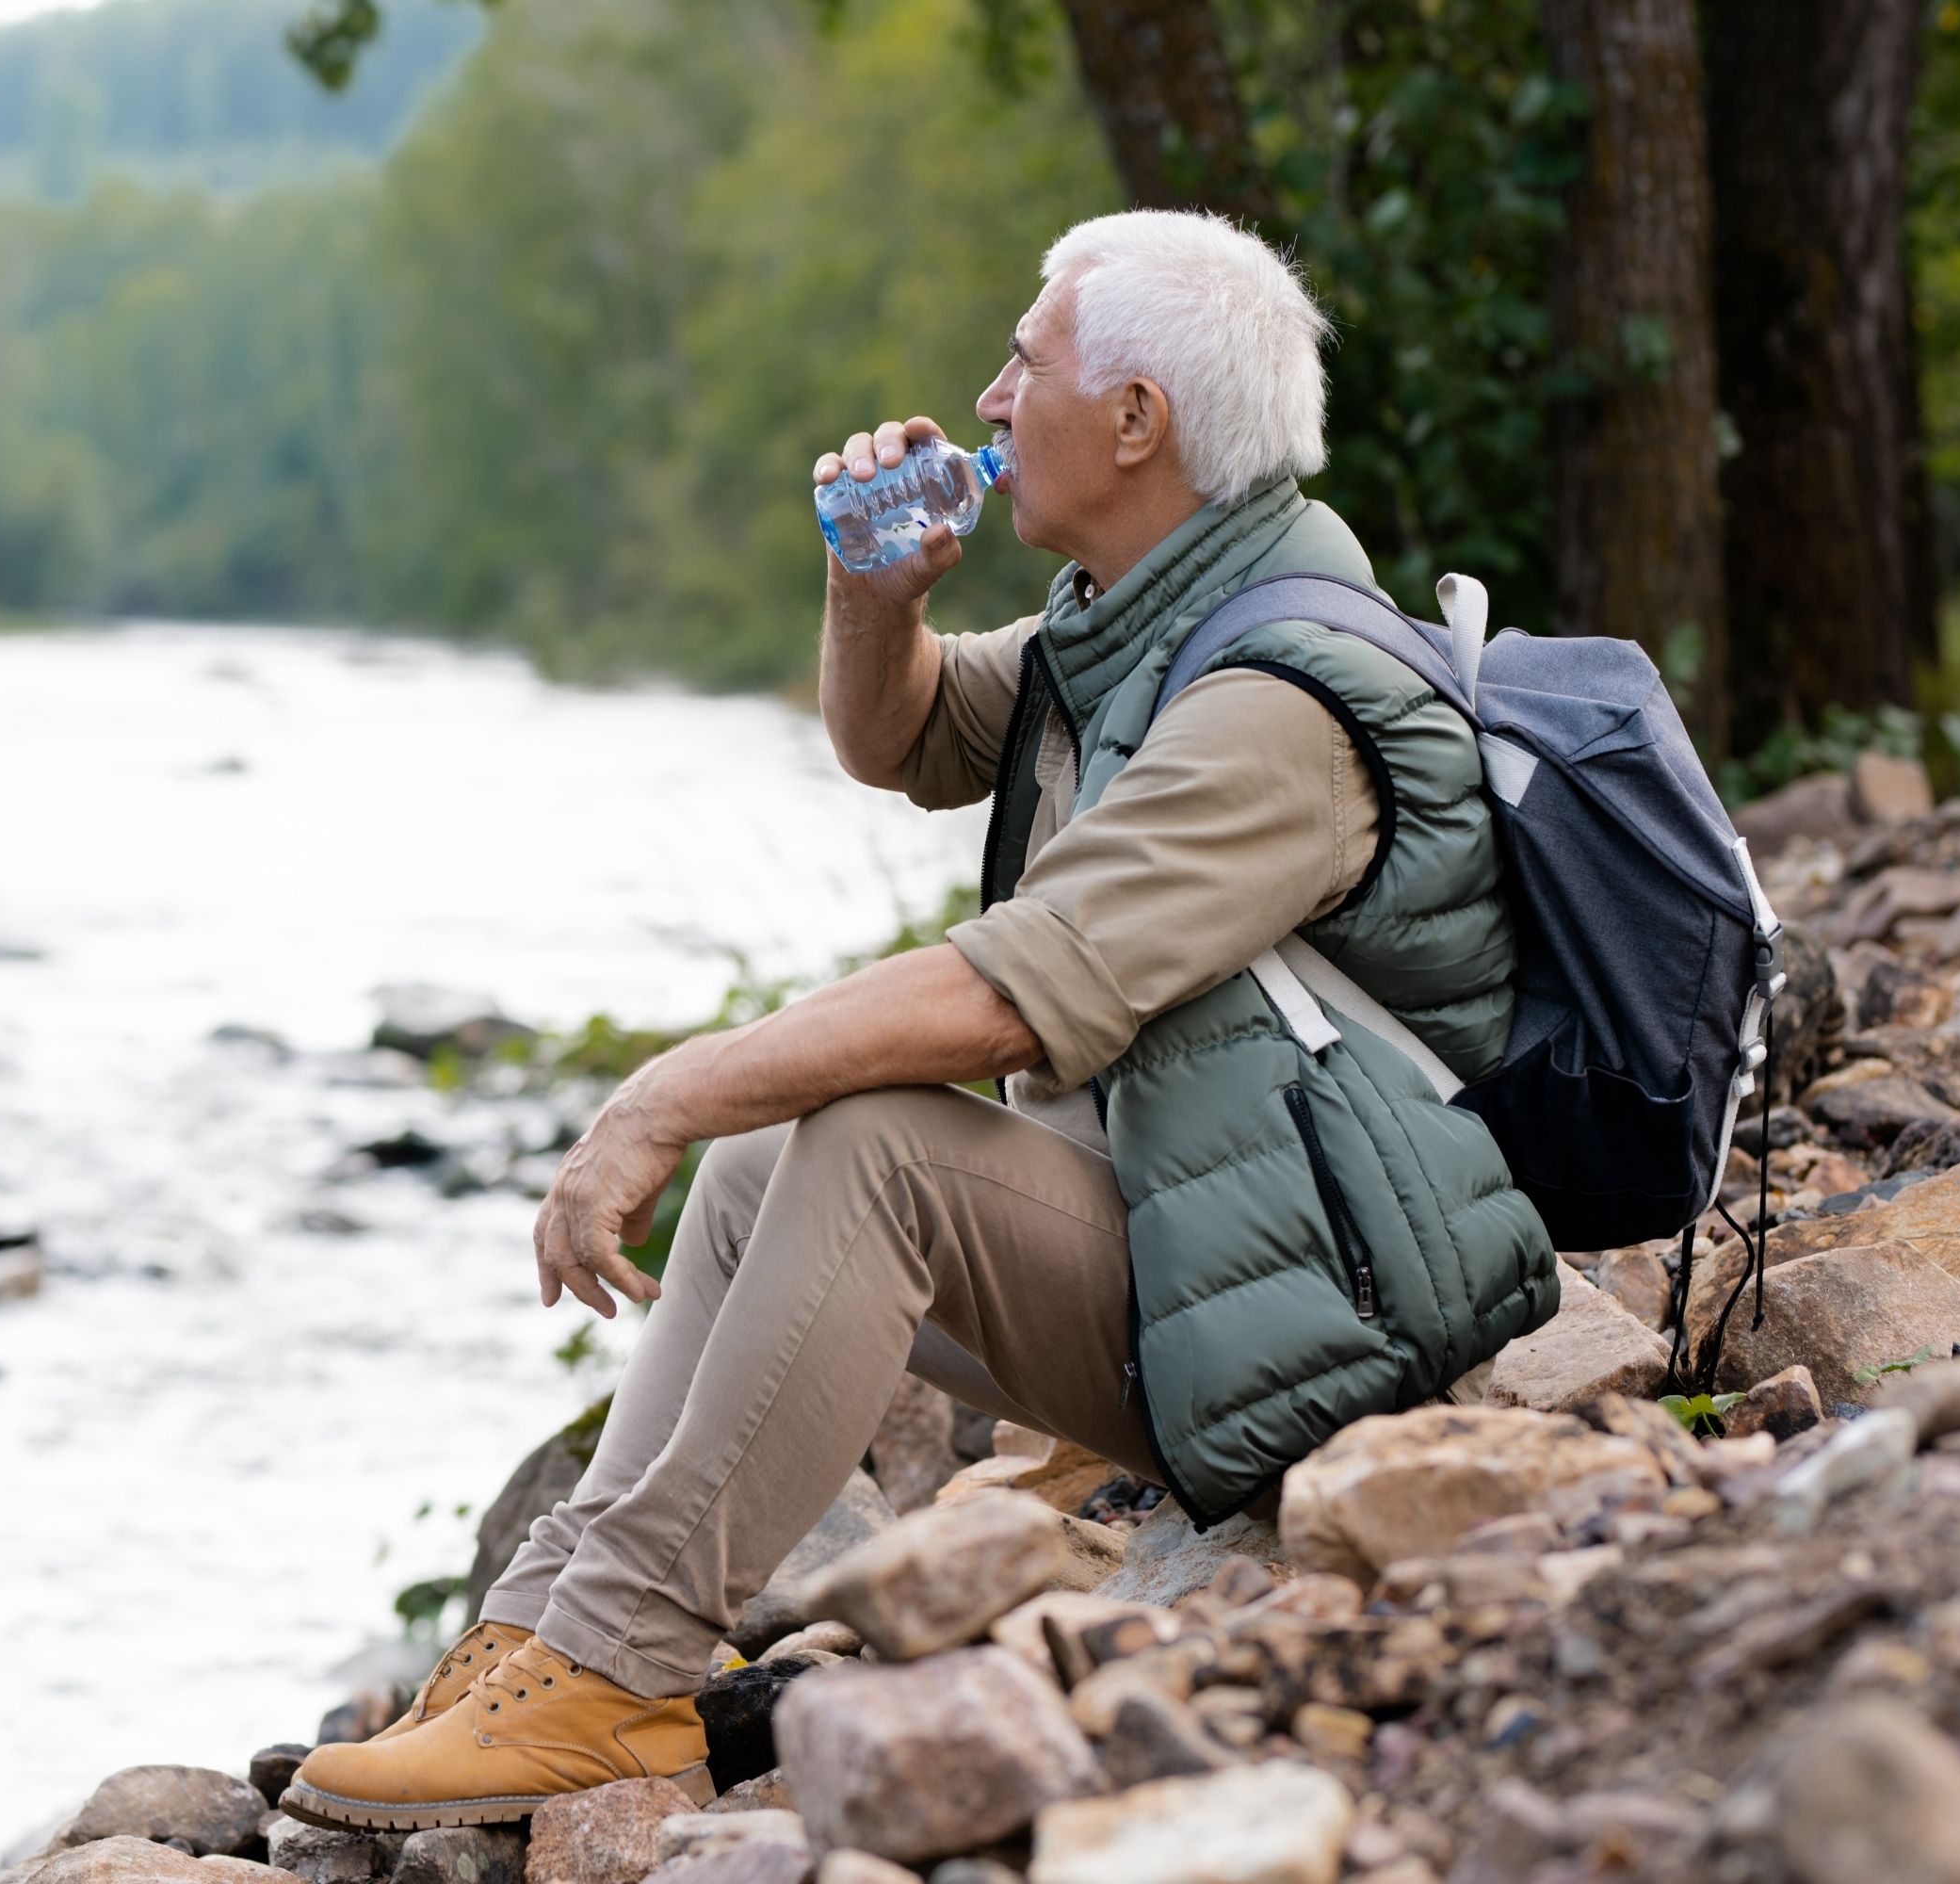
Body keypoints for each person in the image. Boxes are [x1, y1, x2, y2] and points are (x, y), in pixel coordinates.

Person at [282, 209, 1554, 1834]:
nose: (990, 393)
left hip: (1339, 1311)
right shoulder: (1147, 619)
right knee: (761, 1179)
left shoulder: (1275, 706)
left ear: (1138, 419)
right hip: (1219, 1251)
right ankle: (547, 1639)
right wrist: (872, 592)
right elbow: (908, 735)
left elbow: (996, 991)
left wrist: (666, 1093)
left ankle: (615, 1682)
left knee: (872, 1144)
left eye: (1026, 362)